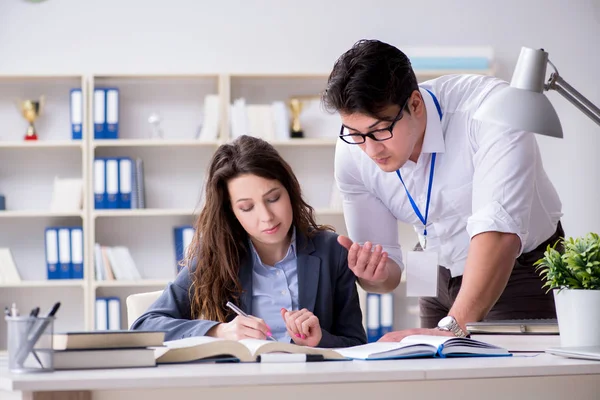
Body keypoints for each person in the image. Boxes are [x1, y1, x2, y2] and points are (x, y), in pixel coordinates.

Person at [321, 39, 563, 341]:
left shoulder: (491, 111)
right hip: (436, 270)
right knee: (434, 379)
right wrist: (375, 276)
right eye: (356, 134)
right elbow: (389, 274)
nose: (370, 149)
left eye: (380, 130)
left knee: (509, 382)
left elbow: (500, 232)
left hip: (518, 268)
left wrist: (452, 328)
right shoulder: (352, 152)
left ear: (415, 104)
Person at [131, 135, 366, 348]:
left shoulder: (332, 251)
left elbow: (356, 342)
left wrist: (320, 339)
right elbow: (145, 326)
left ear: (290, 190)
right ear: (232, 212)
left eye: (273, 198)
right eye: (246, 207)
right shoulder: (215, 255)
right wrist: (219, 331)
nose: (266, 217)